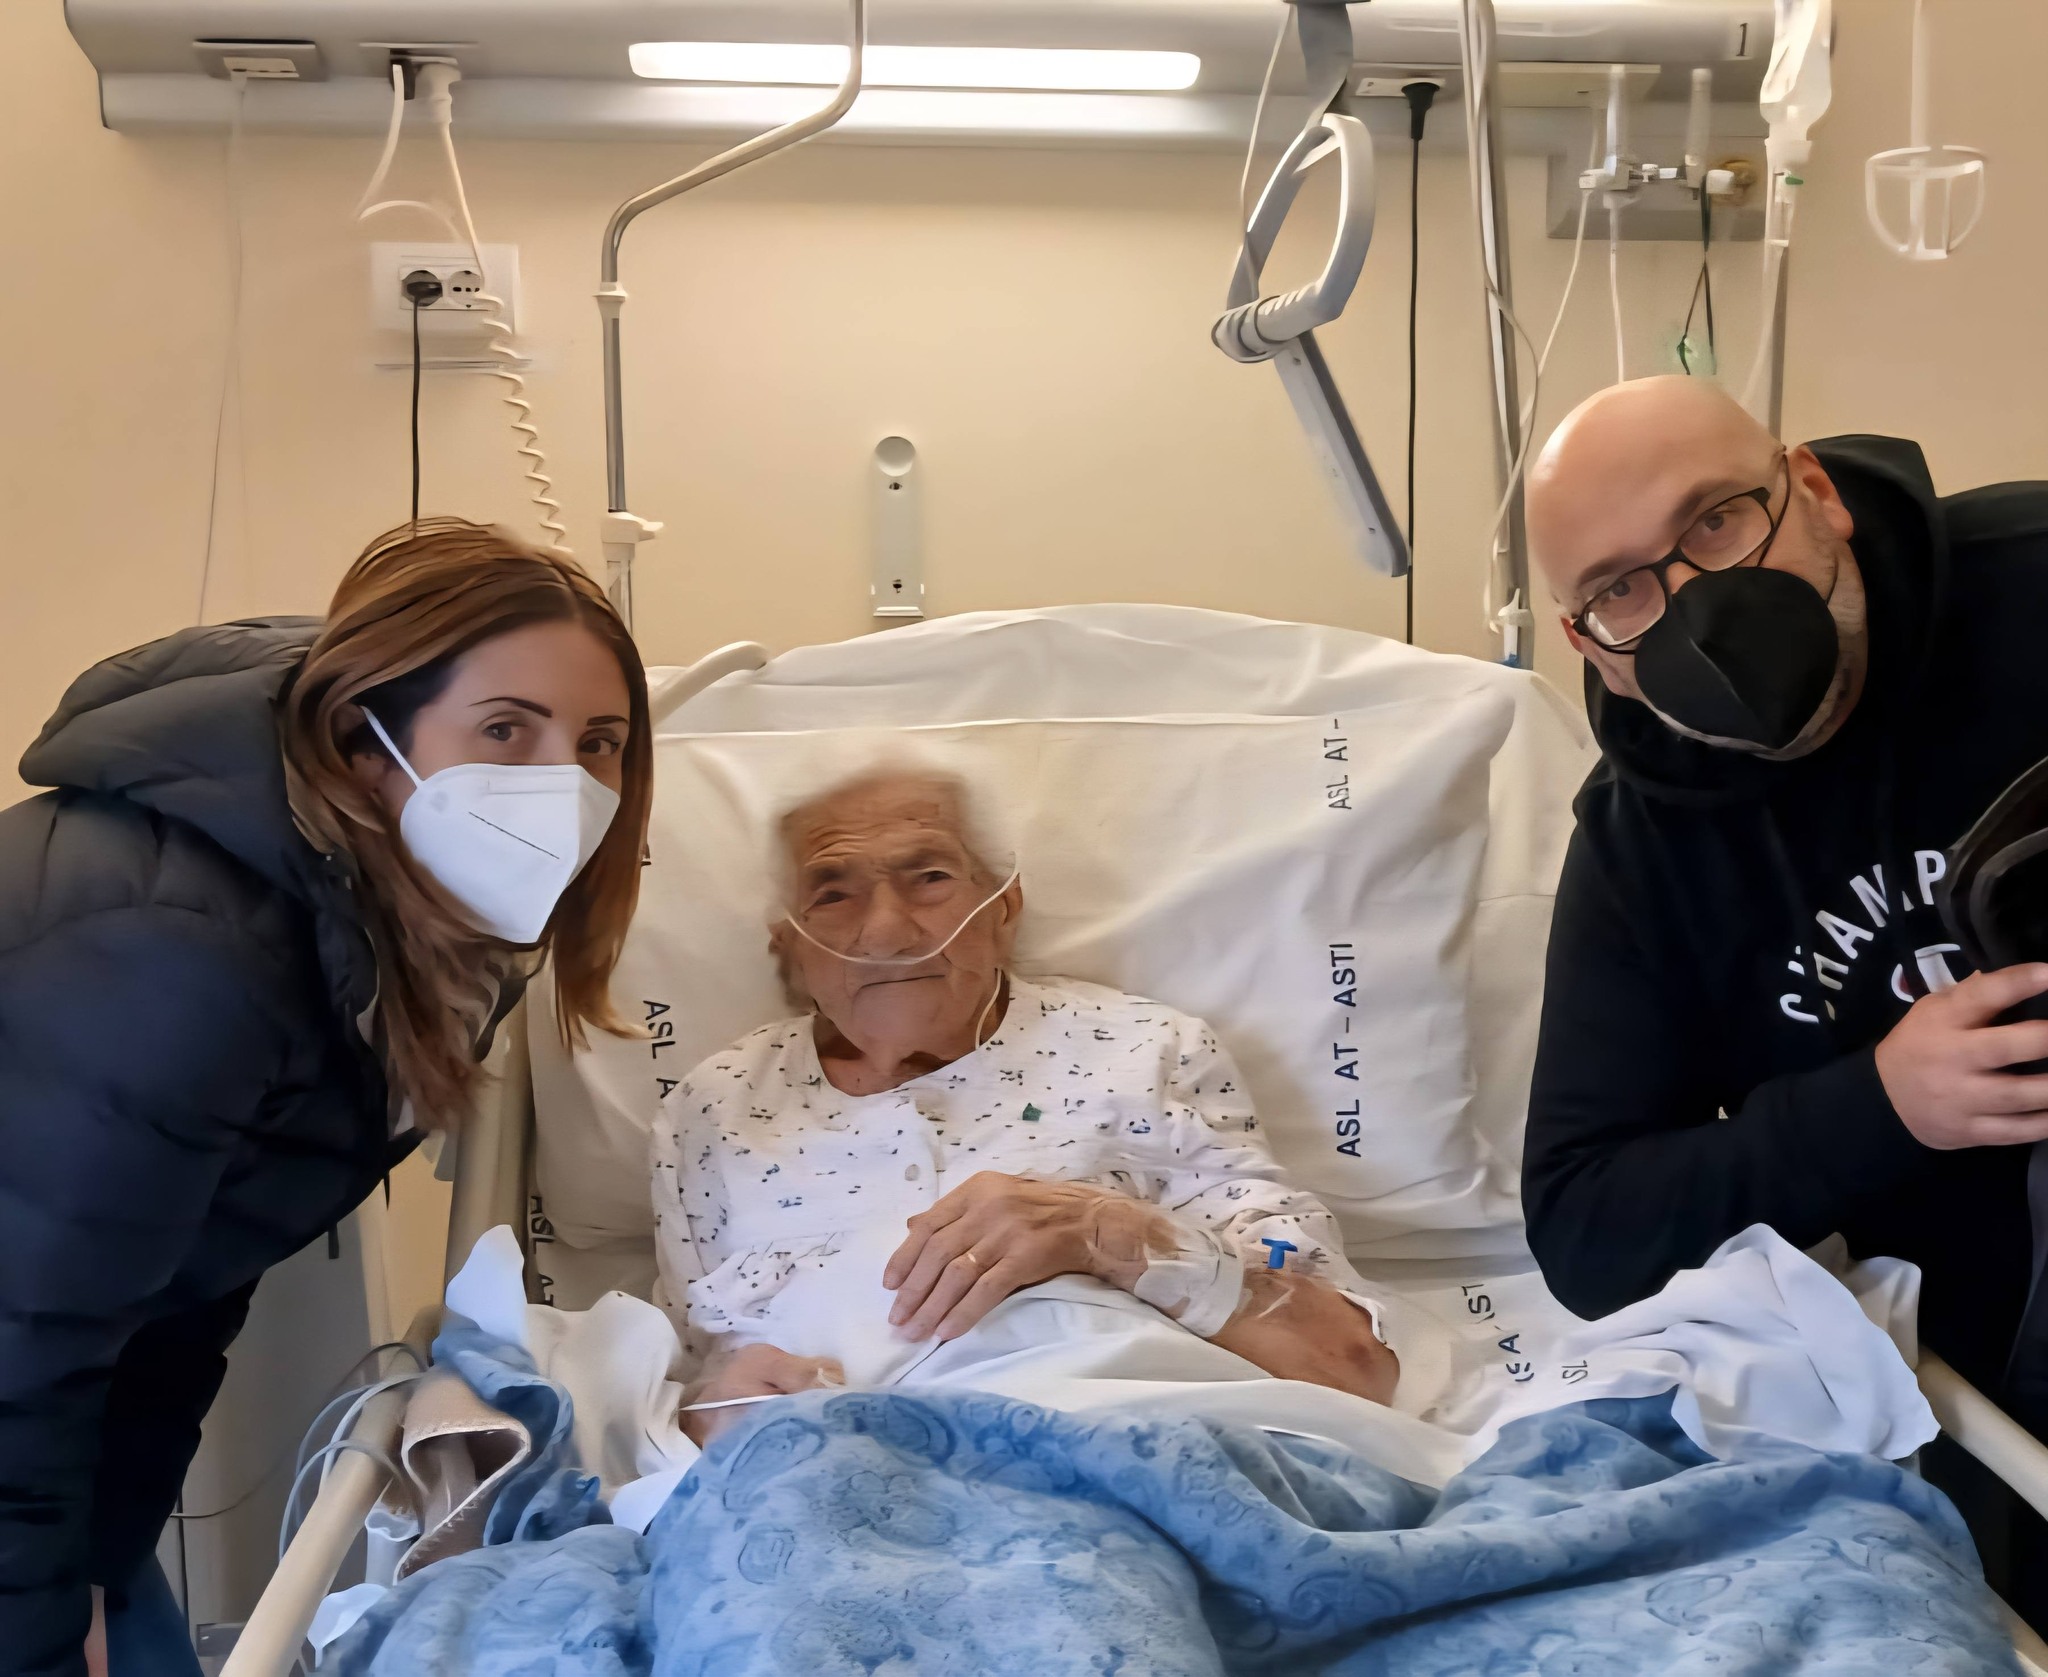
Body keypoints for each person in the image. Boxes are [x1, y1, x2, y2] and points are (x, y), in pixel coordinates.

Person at [0, 518, 655, 1677]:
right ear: (362, 738)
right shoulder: (182, 952)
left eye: (598, 742)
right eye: (505, 729)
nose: (563, 784)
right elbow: (25, 1343)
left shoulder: (424, 936)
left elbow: (187, 1282)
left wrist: (101, 1559)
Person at [1519, 375, 2048, 1422]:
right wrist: (1881, 1107)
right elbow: (1585, 1224)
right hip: (1964, 1361)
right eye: (1618, 590)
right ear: (1589, 648)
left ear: (1814, 492)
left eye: (1715, 523)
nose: (1695, 608)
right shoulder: (1642, 844)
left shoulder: (2028, 586)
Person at [650, 764, 1399, 1442]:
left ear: (1003, 907)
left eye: (930, 877)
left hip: (1141, 1446)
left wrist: (1109, 1235)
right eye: (833, 893)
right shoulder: (715, 1108)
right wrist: (714, 1414)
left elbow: (1349, 1361)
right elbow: (685, 1385)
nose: (885, 931)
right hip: (839, 1485)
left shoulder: (1140, 1049)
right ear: (789, 943)